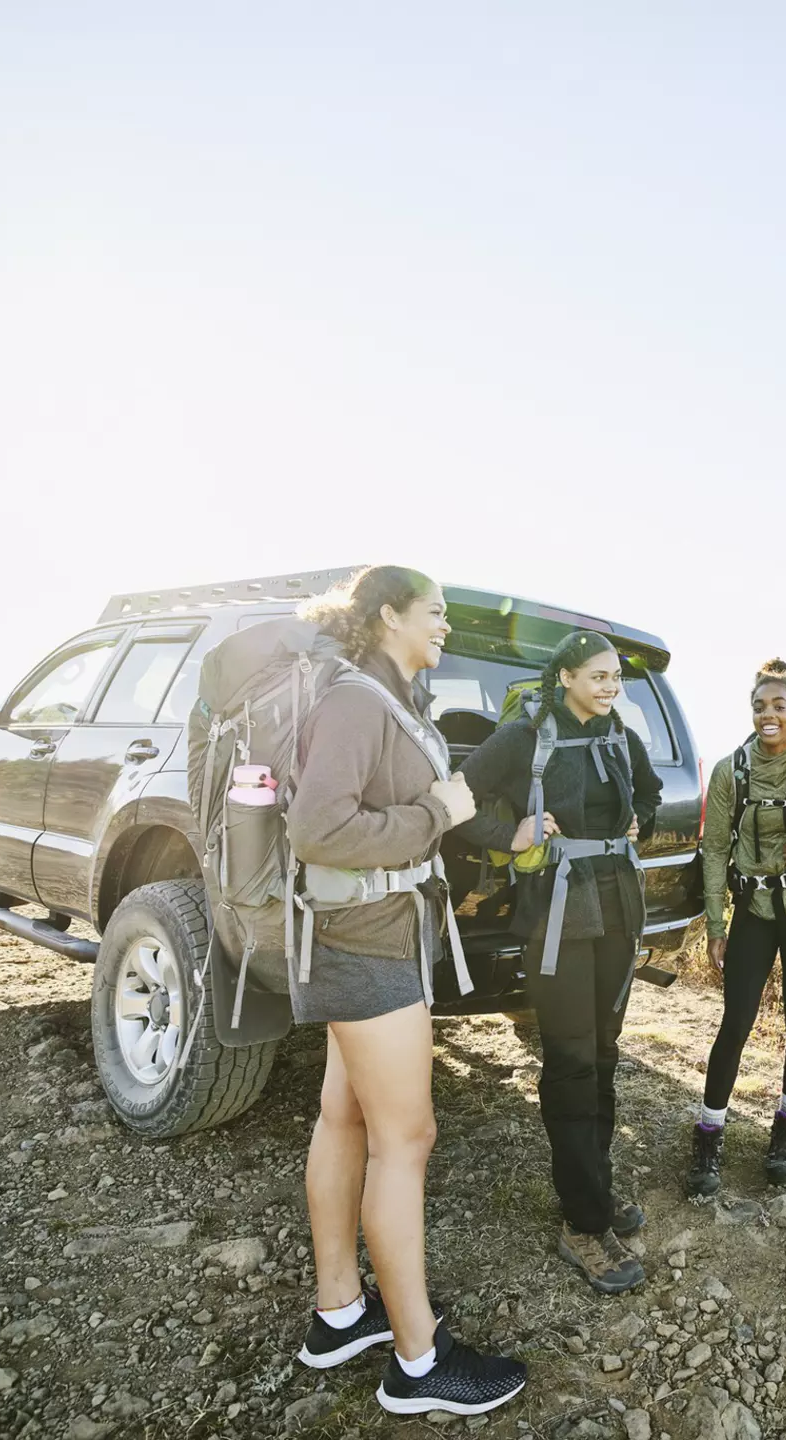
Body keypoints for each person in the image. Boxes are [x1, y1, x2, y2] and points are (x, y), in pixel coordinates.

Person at [285, 565, 527, 1416]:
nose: (446, 627)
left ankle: (340, 1314)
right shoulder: (354, 702)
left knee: (345, 1117)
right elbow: (319, 828)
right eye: (436, 613)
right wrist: (434, 815)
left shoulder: (384, 699)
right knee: (406, 1137)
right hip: (365, 944)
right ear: (389, 616)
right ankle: (420, 1363)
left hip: (369, 936)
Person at [460, 630, 662, 1294]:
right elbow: (455, 801)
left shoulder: (619, 734)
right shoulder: (522, 739)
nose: (610, 688)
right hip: (557, 918)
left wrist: (641, 826)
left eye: (616, 679)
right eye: (598, 677)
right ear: (566, 677)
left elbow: (650, 794)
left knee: (603, 1053)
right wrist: (508, 833)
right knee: (572, 1060)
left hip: (617, 910)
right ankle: (581, 1224)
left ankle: (592, 1195)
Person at [687, 660, 786, 1197]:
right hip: (752, 908)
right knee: (736, 1022)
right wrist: (715, 922)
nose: (768, 715)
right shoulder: (733, 770)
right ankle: (707, 1136)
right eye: (759, 706)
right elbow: (716, 849)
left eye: (779, 706)